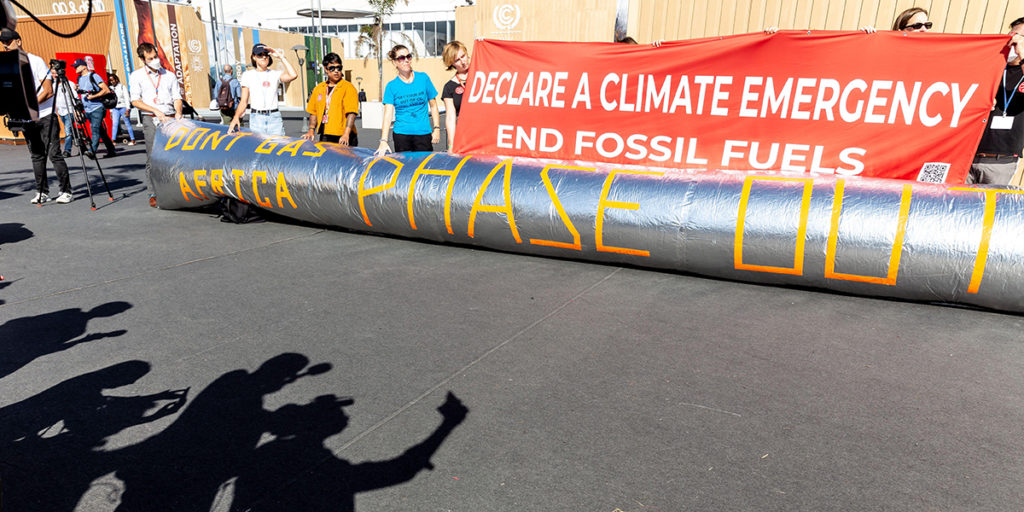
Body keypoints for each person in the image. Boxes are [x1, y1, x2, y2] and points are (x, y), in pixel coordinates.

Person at [0, 28, 73, 204]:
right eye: (3, 43)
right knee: (36, 156)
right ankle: (42, 192)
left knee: (54, 153)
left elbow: (48, 91)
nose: (5, 45)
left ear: (19, 40)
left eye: (8, 41)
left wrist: (27, 106)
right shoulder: (7, 65)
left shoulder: (35, 61)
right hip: (26, 118)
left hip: (46, 115)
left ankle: (66, 191)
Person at [968, 18, 1024, 185]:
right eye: (1014, 35)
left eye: (1022, 38)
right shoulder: (992, 65)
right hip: (969, 155)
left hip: (1001, 161)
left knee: (988, 209)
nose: (1015, 41)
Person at [129, 41, 182, 208]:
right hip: (151, 118)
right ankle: (153, 192)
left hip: (171, 118)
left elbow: (177, 97)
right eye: (150, 58)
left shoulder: (169, 75)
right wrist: (156, 111)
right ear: (143, 59)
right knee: (153, 156)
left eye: (155, 56)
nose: (155, 60)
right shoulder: (137, 76)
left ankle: (175, 189)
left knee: (175, 155)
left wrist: (178, 112)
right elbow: (135, 101)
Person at [376, 44, 440, 155]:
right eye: (401, 58)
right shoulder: (391, 86)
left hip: (423, 134)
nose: (406, 60)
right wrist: (383, 140)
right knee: (405, 170)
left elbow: (433, 105)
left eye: (408, 56)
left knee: (424, 169)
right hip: (402, 135)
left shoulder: (423, 78)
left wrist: (437, 128)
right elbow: (387, 115)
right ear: (395, 62)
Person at [229, 44, 298, 136]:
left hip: (274, 118)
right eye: (260, 55)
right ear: (254, 57)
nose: (264, 57)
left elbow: (293, 75)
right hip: (256, 118)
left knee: (278, 147)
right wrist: (236, 117)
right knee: (258, 148)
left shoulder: (275, 74)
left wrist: (281, 57)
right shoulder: (248, 75)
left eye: (266, 54)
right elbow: (243, 101)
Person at [302, 52, 359, 145]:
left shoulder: (348, 88)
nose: (336, 71)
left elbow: (351, 113)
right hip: (325, 134)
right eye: (332, 68)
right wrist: (311, 130)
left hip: (343, 135)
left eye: (339, 68)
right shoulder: (319, 88)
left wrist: (346, 134)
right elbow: (313, 112)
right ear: (326, 69)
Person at [73, 58, 117, 158]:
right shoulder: (79, 78)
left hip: (97, 107)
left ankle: (92, 151)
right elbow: (83, 91)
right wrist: (78, 89)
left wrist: (93, 96)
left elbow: (106, 90)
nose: (75, 68)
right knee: (100, 131)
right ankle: (111, 150)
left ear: (84, 67)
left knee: (94, 129)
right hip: (87, 109)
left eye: (76, 66)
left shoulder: (94, 76)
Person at [441, 41, 470, 150]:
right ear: (451, 63)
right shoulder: (449, 87)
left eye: (463, 56)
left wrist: (484, 45)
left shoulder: (482, 75)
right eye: (457, 60)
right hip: (464, 137)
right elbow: (450, 117)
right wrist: (451, 144)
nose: (463, 61)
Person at [52, 67, 78, 157]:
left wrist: (75, 111)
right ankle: (82, 145)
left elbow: (75, 97)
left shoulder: (69, 83)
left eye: (55, 73)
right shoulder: (53, 85)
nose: (54, 75)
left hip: (69, 110)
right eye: (52, 74)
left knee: (67, 130)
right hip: (60, 111)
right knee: (71, 130)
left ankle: (67, 151)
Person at [108, 73, 135, 146]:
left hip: (123, 107)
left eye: (113, 80)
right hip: (115, 108)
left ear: (116, 79)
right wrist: (110, 111)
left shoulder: (122, 87)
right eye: (110, 80)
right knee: (115, 124)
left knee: (127, 123)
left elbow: (127, 98)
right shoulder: (110, 88)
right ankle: (113, 140)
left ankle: (132, 140)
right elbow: (110, 100)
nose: (112, 82)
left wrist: (128, 109)